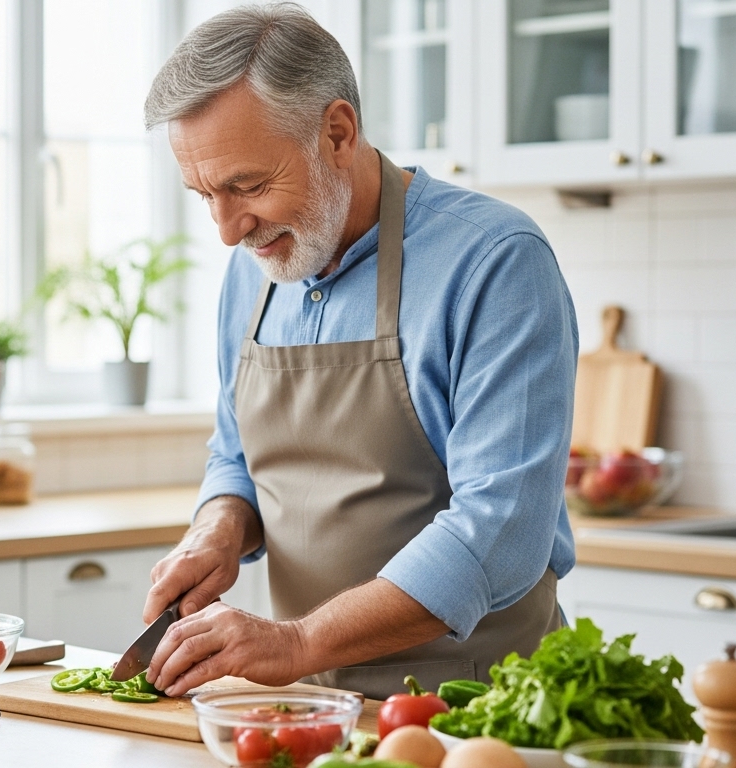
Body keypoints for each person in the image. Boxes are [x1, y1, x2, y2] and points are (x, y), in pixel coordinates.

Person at [139, 4, 578, 700]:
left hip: (472, 709)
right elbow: (237, 455)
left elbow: (500, 531)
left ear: (337, 133)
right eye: (205, 196)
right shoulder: (256, 265)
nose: (227, 230)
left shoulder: (495, 262)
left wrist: (297, 641)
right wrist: (219, 527)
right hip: (303, 704)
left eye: (248, 186)